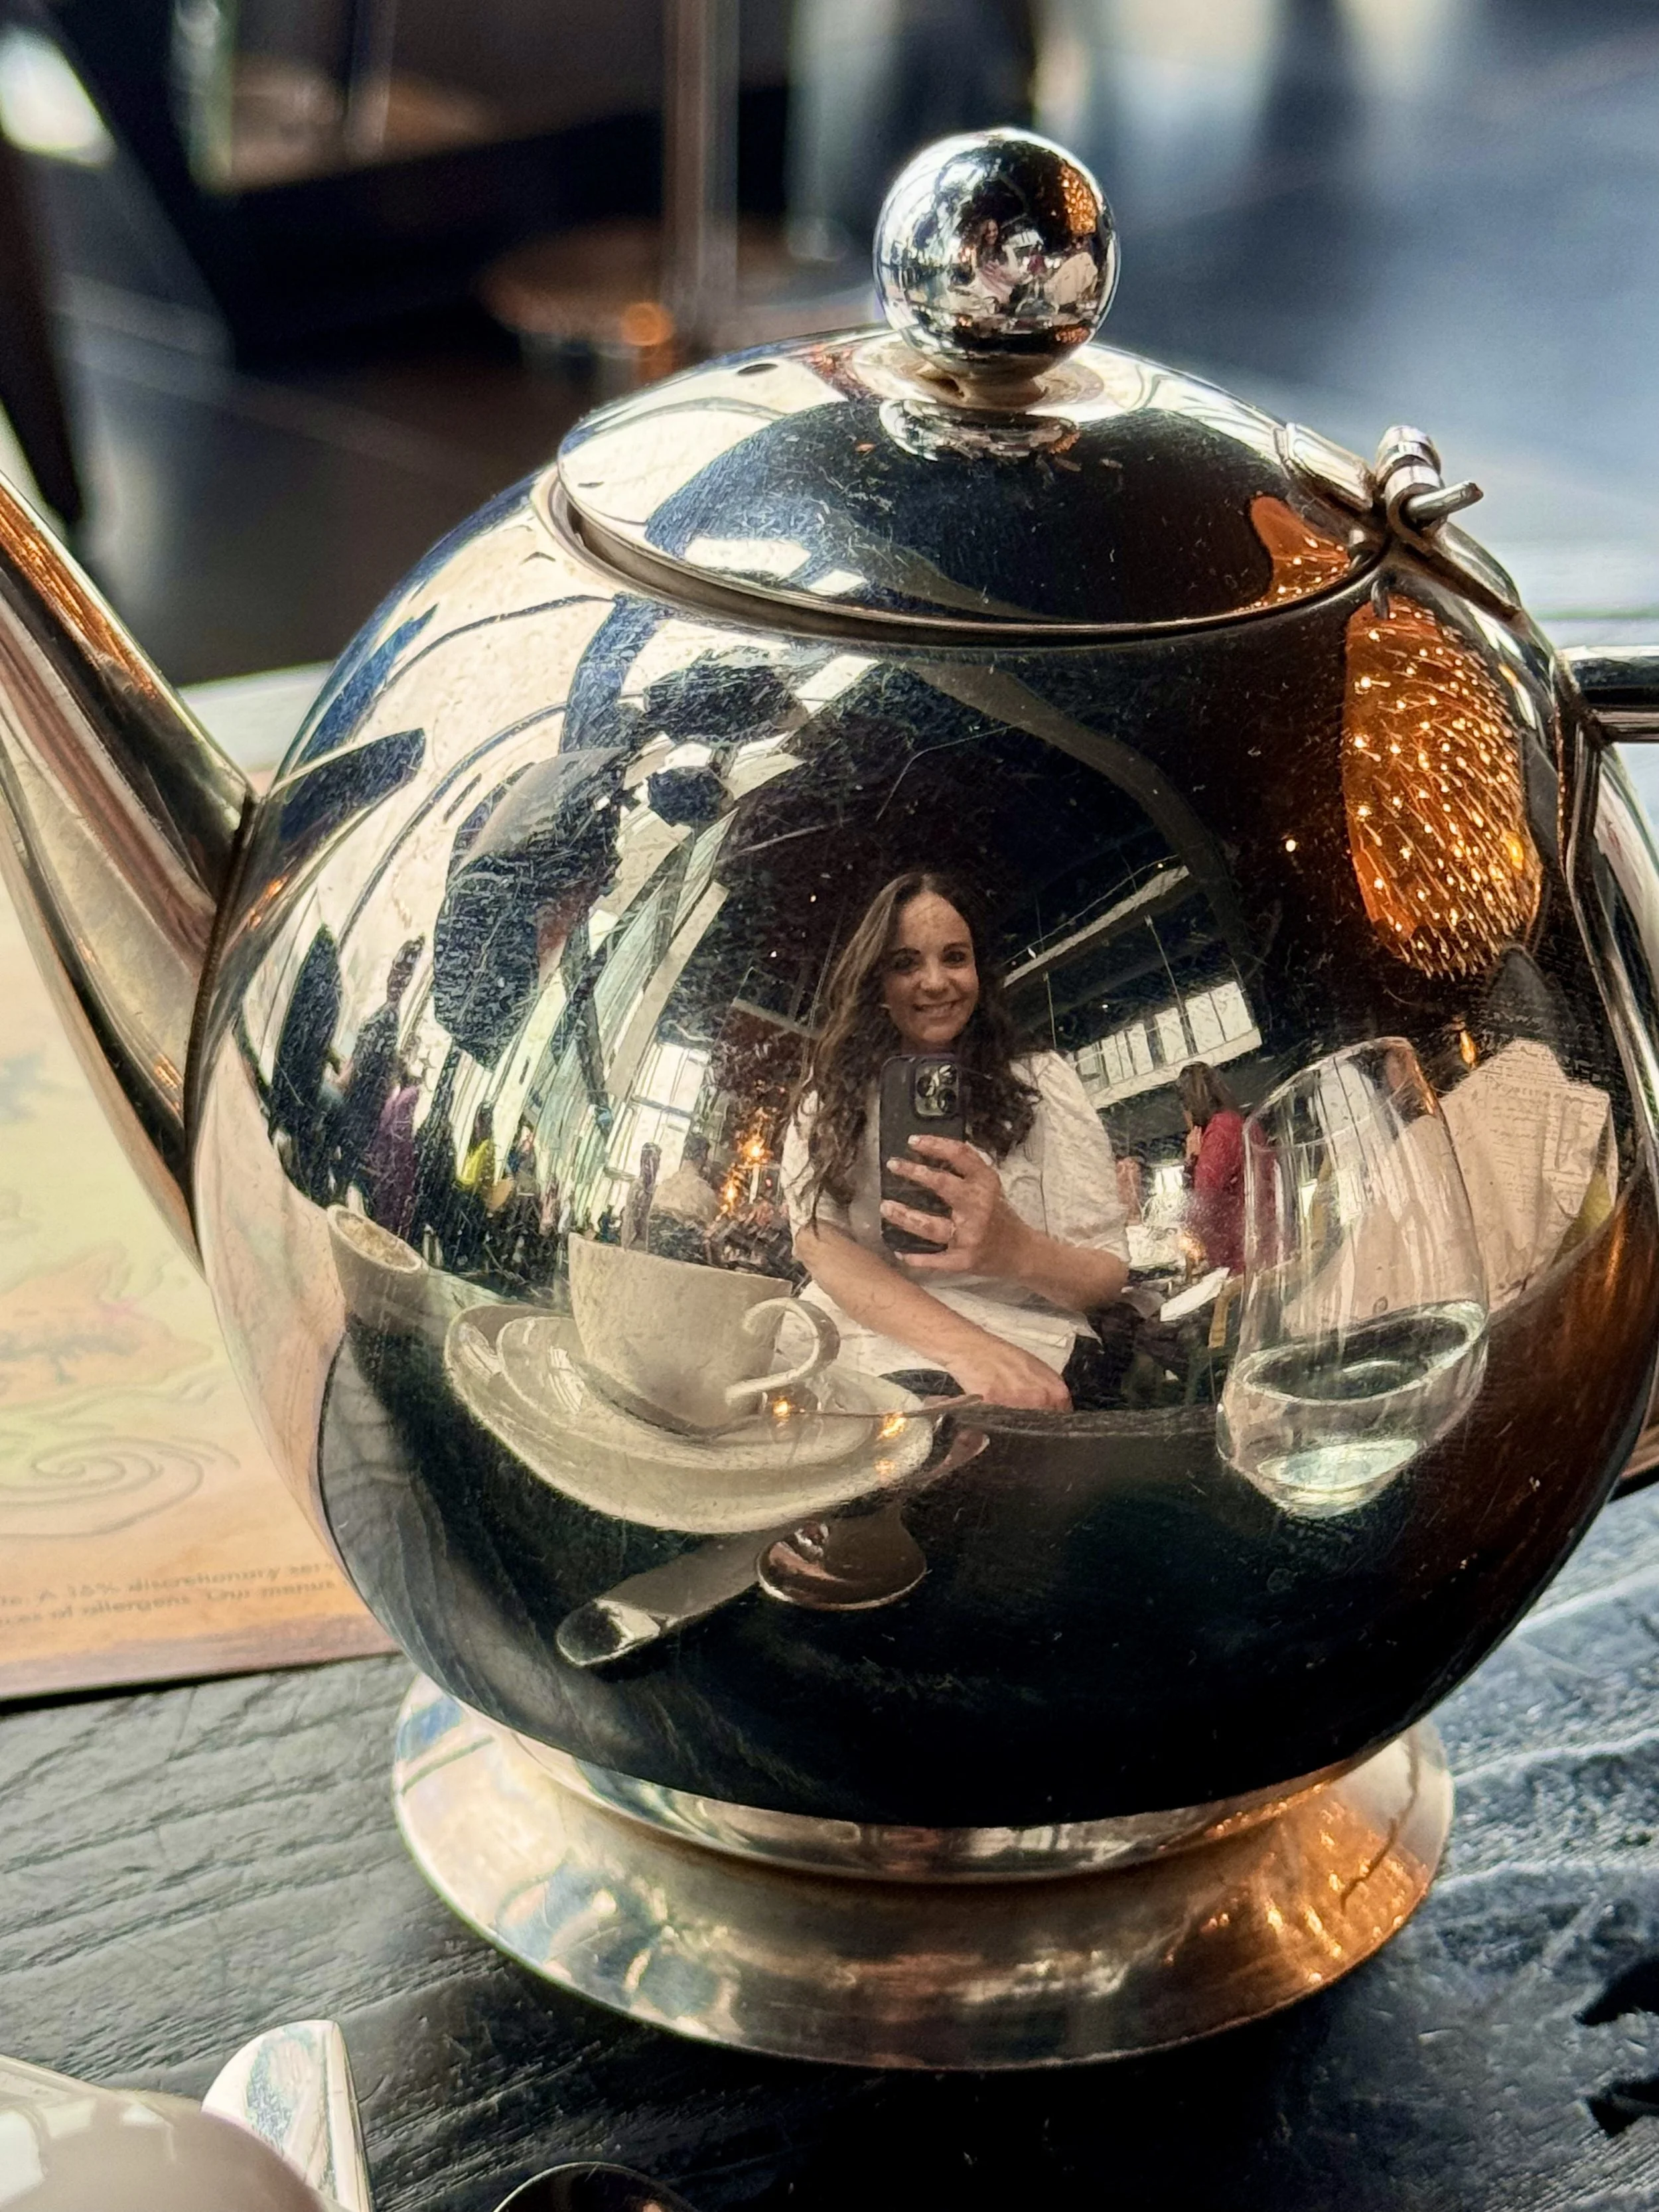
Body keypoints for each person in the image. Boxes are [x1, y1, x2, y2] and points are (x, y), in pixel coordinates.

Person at [782, 869, 1130, 1411]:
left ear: (979, 971)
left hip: (1024, 1345)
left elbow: (1106, 1273)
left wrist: (1012, 1249)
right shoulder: (826, 1098)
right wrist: (966, 1348)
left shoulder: (1041, 1083)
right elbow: (819, 1243)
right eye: (905, 963)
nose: (935, 981)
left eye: (954, 957)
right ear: (877, 981)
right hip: (858, 1340)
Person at [334, 937, 423, 1200]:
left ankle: (331, 1186)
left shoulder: (390, 1016)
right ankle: (335, 1188)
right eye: (396, 971)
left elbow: (369, 1063)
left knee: (340, 1132)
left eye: (404, 975)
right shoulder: (388, 1012)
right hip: (362, 1100)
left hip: (360, 1102)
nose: (396, 979)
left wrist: (344, 1081)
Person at [1177, 1062, 1247, 1275]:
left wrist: (1191, 1163)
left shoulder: (1219, 1133)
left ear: (1188, 1105)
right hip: (1258, 1241)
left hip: (1239, 1258)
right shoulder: (1239, 1123)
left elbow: (1202, 1208)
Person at [646, 1132, 721, 1263]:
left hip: (654, 1260)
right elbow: (710, 1234)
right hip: (685, 1266)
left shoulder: (663, 1188)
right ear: (702, 1156)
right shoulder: (705, 1193)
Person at [621, 1143, 660, 1251]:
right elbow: (630, 1218)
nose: (649, 1167)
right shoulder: (636, 1187)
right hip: (632, 1240)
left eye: (654, 1163)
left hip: (647, 1243)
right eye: (646, 1162)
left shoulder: (657, 1190)